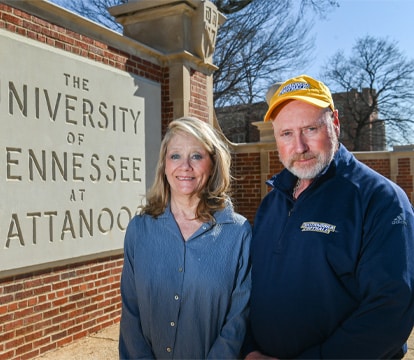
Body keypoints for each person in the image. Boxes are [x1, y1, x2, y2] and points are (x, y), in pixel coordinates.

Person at [243, 74, 414, 359]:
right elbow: (251, 290)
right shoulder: (271, 203)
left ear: (335, 122)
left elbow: (389, 312)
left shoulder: (380, 199)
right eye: (286, 133)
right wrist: (249, 349)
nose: (299, 146)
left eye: (310, 129)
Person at [119, 116, 252, 359]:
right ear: (164, 164)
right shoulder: (139, 229)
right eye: (176, 155)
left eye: (197, 156)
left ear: (213, 164)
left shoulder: (238, 232)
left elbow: (238, 317)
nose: (185, 166)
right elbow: (131, 312)